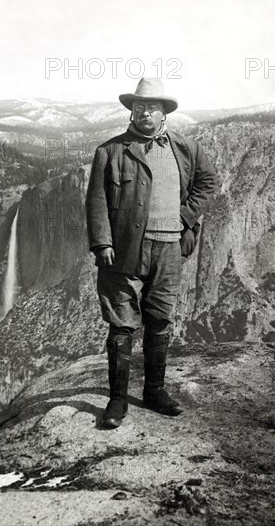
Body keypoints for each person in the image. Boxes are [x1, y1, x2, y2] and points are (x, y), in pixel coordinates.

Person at [85, 77, 217, 428]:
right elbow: (96, 200)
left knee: (159, 320)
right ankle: (117, 400)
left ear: (163, 113)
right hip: (124, 251)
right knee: (122, 324)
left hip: (170, 249)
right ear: (132, 111)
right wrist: (102, 243)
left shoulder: (185, 148)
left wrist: (185, 216)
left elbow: (208, 182)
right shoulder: (110, 151)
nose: (145, 112)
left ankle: (154, 391)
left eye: (152, 107)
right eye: (139, 107)